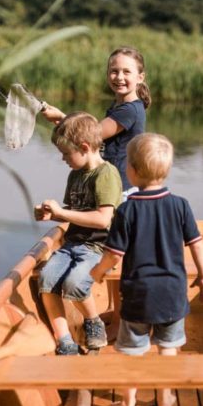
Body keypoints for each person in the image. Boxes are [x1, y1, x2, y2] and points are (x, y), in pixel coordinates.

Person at [90, 133, 203, 406]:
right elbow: (197, 244)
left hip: (137, 296)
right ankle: (164, 397)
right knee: (168, 348)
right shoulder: (181, 205)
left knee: (132, 352)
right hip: (172, 294)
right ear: (167, 171)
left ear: (130, 171)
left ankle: (128, 402)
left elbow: (114, 255)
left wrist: (97, 272)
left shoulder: (127, 211)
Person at [35, 112, 123, 355]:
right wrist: (51, 214)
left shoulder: (106, 174)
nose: (63, 159)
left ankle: (93, 322)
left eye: (66, 153)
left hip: (98, 247)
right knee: (46, 280)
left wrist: (62, 214)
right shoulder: (75, 174)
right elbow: (74, 213)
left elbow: (103, 220)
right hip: (71, 243)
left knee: (75, 284)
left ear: (84, 147)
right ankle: (64, 339)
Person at [41, 47, 150, 196]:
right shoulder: (118, 105)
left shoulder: (129, 110)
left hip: (120, 186)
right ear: (107, 75)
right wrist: (62, 119)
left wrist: (61, 117)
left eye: (126, 72)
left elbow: (91, 134)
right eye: (114, 71)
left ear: (140, 77)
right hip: (110, 181)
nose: (119, 77)